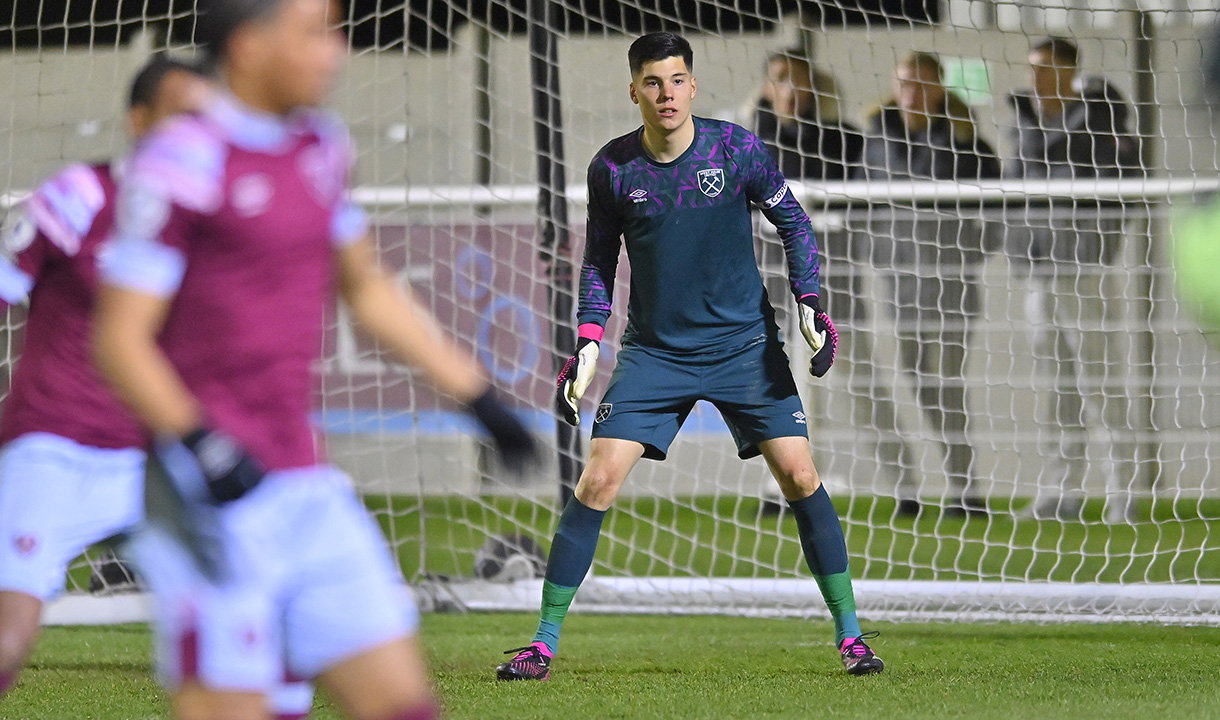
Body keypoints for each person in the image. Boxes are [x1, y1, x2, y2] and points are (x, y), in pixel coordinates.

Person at [92, 1, 537, 719]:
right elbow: (119, 339)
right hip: (205, 495)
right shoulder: (182, 157)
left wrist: (478, 397)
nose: (337, 52)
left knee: (403, 703)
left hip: (303, 483)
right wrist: (200, 442)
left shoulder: (320, 145)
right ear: (247, 46)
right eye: (314, 33)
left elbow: (364, 286)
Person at [495, 31, 882, 682]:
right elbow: (597, 263)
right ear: (634, 90)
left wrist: (809, 300)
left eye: (677, 80)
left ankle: (851, 636)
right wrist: (590, 338)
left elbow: (793, 222)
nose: (666, 93)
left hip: (744, 346)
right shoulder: (613, 168)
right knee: (596, 481)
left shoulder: (735, 150)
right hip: (655, 354)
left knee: (801, 478)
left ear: (693, 86)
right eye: (653, 82)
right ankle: (542, 643)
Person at [853, 51, 1000, 517]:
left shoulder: (966, 140)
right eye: (904, 83)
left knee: (948, 385)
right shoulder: (875, 137)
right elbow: (860, 203)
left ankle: (965, 489)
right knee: (918, 383)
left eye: (920, 84)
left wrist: (973, 252)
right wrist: (878, 253)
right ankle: (912, 490)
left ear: (939, 88)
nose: (912, 93)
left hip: (952, 285)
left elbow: (1004, 204)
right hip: (900, 285)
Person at [1003, 37, 1142, 520]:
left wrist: (1095, 246)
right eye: (1031, 67)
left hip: (1082, 265)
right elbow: (1012, 190)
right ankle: (1059, 490)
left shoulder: (1101, 119)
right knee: (1053, 379)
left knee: (1097, 376)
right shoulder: (1022, 121)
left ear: (1069, 71)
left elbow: (1127, 185)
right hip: (1038, 265)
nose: (1035, 77)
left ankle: (1123, 488)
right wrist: (1019, 248)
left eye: (1045, 68)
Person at [752, 50, 863, 182]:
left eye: (798, 79)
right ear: (766, 87)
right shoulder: (746, 142)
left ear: (811, 86)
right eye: (781, 78)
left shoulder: (844, 140)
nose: (790, 88)